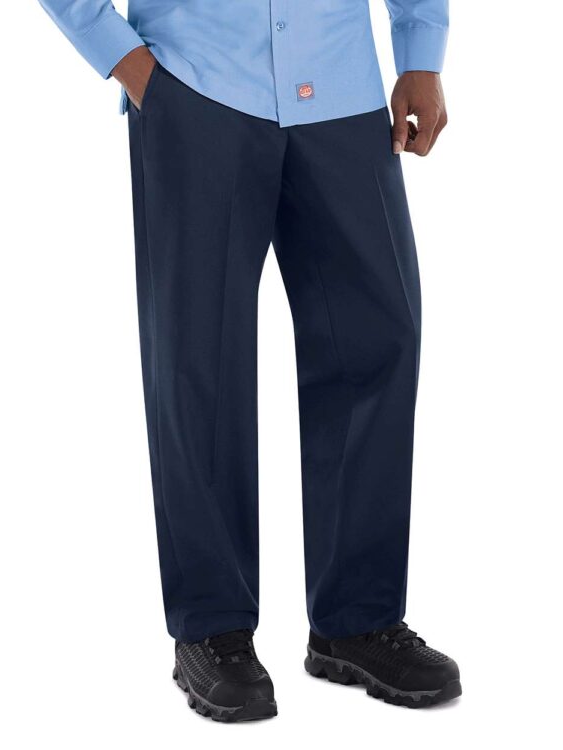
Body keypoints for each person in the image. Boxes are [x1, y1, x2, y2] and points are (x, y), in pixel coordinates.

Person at [38, 0, 460, 721]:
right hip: (198, 87)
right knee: (198, 358)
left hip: (343, 90)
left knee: (379, 339)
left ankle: (356, 619)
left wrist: (421, 50)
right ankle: (212, 627)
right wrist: (125, 61)